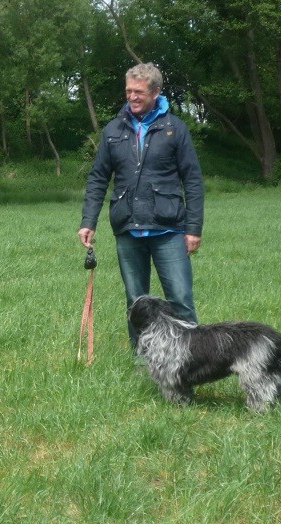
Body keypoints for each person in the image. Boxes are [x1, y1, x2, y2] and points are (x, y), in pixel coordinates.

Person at [79, 63, 205, 347]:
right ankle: (143, 361)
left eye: (139, 92)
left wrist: (193, 228)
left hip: (169, 230)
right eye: (128, 91)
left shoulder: (175, 129)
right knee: (135, 303)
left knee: (181, 301)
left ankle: (193, 361)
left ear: (156, 92)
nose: (132, 97)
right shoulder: (113, 130)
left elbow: (193, 181)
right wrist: (88, 221)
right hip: (128, 231)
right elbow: (98, 178)